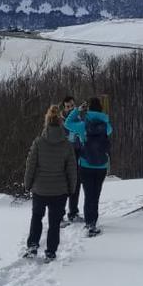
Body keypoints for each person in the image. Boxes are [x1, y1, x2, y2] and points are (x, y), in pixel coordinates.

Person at [22, 104, 78, 260]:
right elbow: (72, 169)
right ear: (61, 123)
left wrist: (28, 184)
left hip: (40, 189)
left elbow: (30, 165)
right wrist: (71, 188)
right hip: (59, 191)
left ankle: (33, 246)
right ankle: (51, 251)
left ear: (46, 122)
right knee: (54, 223)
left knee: (37, 217)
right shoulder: (67, 144)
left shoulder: (39, 142)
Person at [65, 97, 112, 236]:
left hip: (85, 165)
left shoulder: (83, 125)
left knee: (88, 194)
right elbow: (110, 130)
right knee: (95, 195)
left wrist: (77, 110)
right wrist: (104, 117)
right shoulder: (106, 126)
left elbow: (67, 123)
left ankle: (89, 223)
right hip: (101, 166)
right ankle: (93, 222)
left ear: (89, 109)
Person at [59, 96, 84, 225]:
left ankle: (73, 213)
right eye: (67, 106)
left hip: (78, 155)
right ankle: (59, 215)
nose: (70, 108)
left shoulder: (80, 118)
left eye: (72, 106)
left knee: (76, 185)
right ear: (64, 107)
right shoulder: (60, 121)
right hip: (65, 157)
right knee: (64, 187)